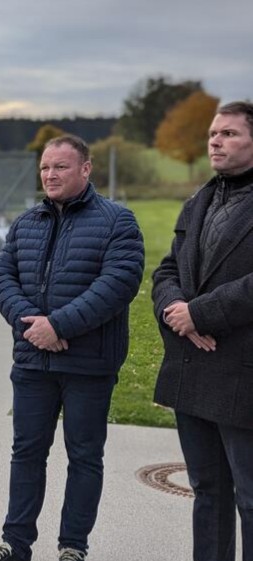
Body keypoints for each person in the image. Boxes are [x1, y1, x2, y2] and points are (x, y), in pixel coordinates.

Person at [0, 134, 145, 561]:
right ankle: (15, 544)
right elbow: (2, 278)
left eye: (60, 167)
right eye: (44, 167)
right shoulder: (26, 224)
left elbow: (119, 284)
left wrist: (57, 325)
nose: (50, 175)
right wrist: (32, 329)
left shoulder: (117, 221)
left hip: (89, 365)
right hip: (33, 363)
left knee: (85, 456)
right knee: (26, 453)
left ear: (86, 169)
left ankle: (73, 546)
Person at [152, 100, 253, 561]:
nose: (215, 140)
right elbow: (168, 268)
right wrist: (177, 310)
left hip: (244, 373)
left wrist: (203, 313)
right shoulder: (200, 200)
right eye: (214, 133)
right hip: (193, 368)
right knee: (208, 492)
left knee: (250, 500)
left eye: (229, 133)